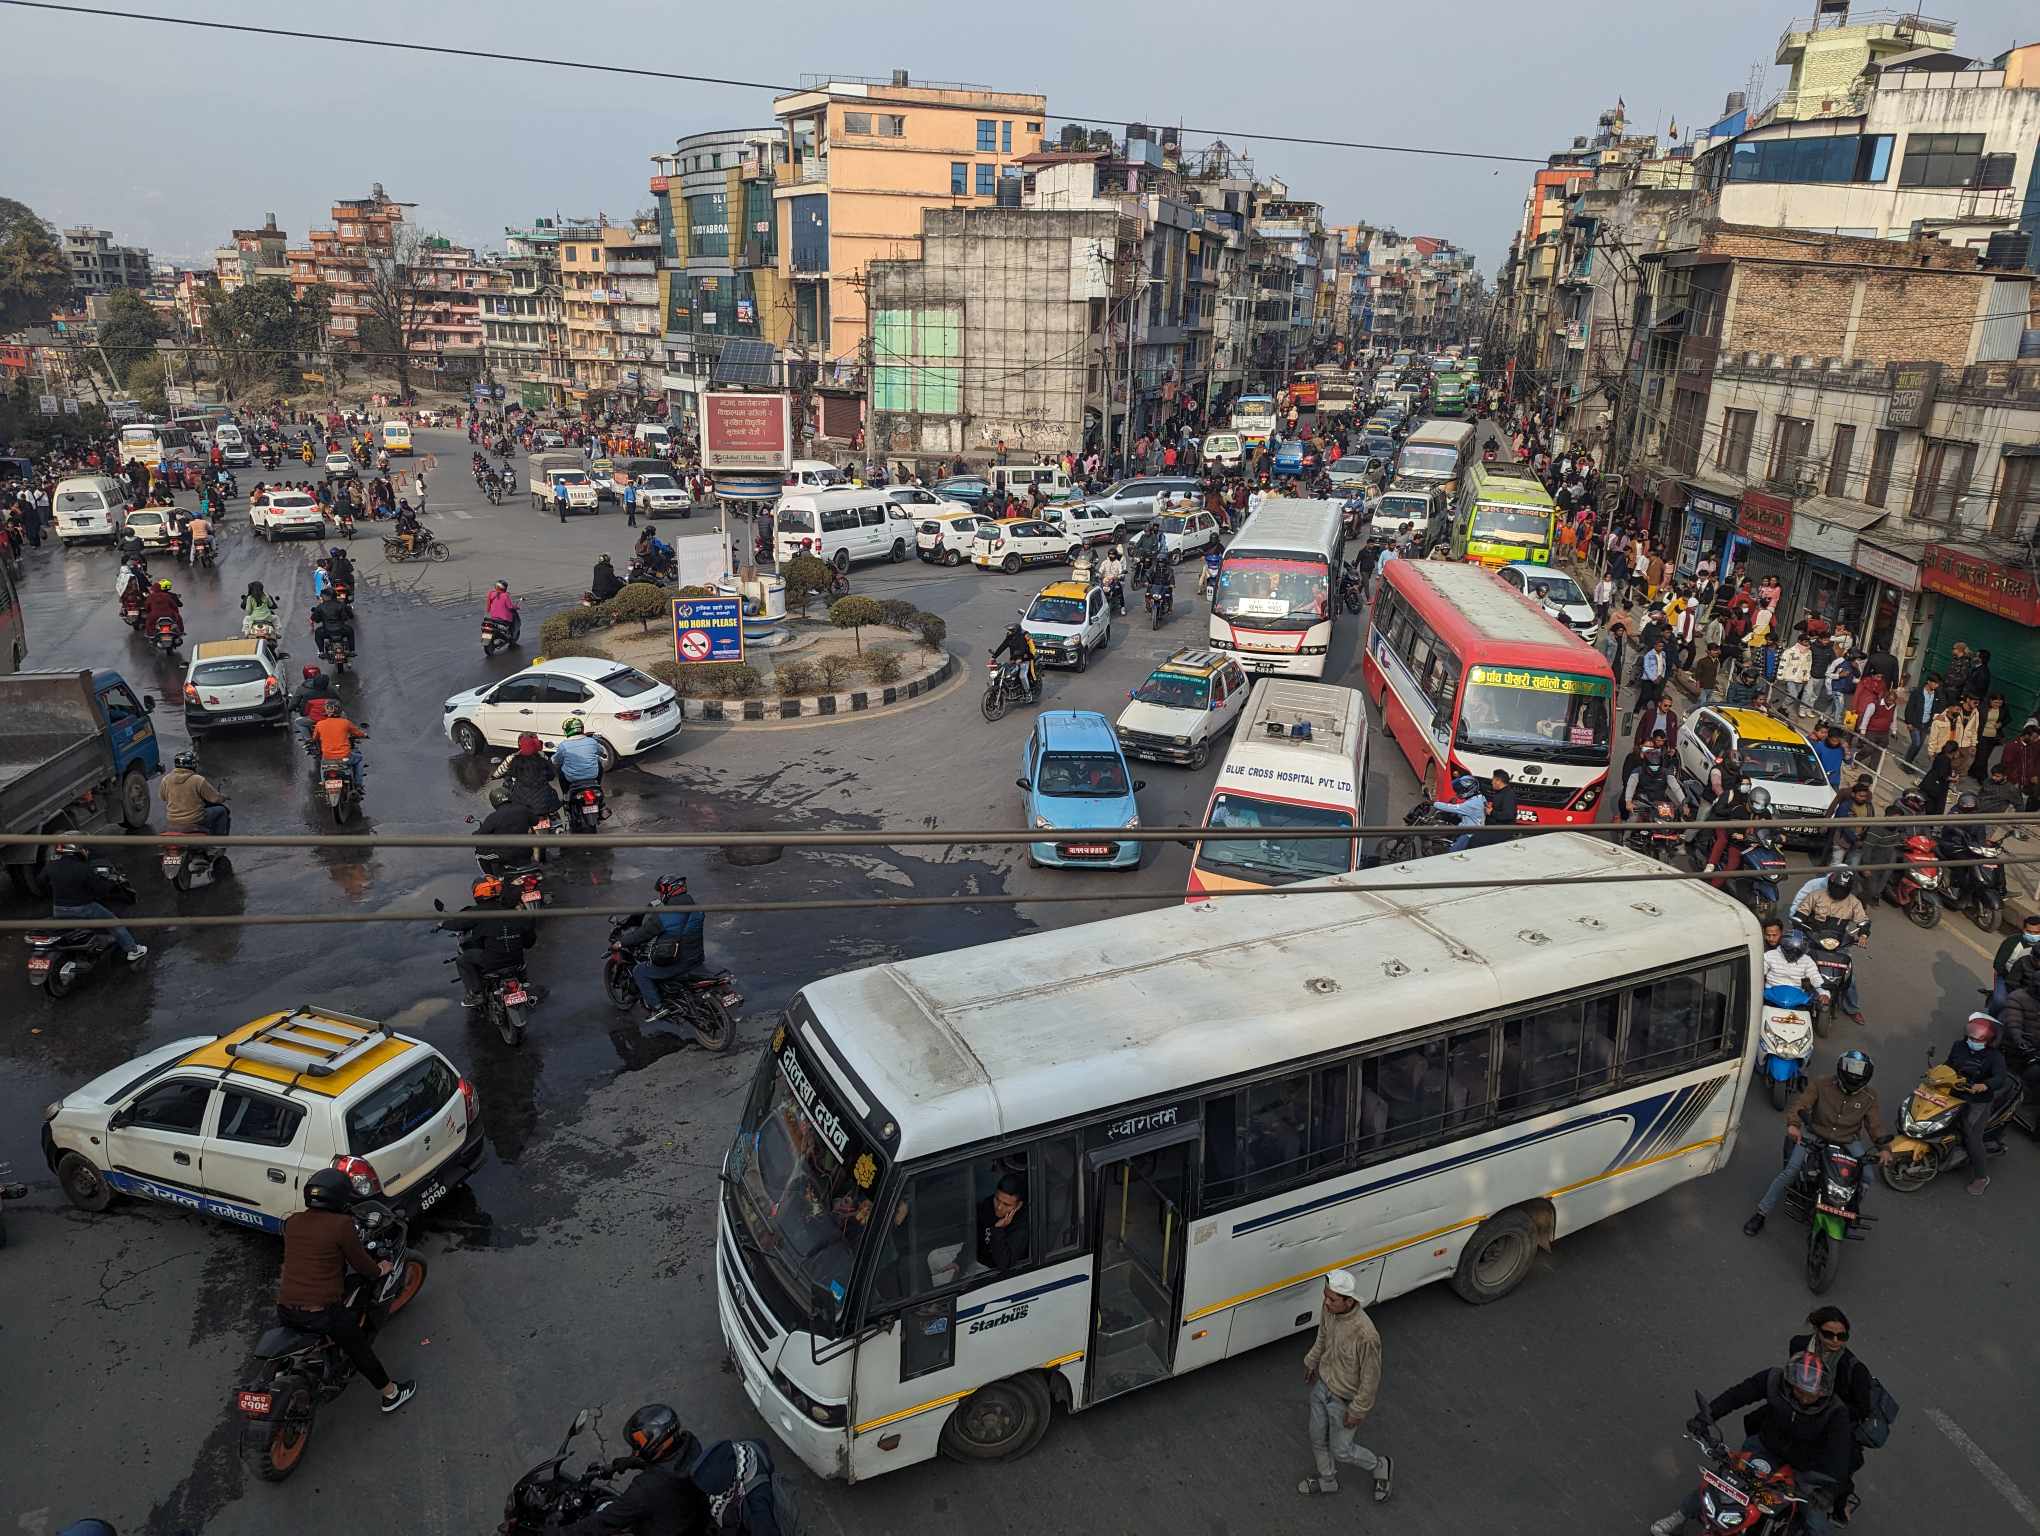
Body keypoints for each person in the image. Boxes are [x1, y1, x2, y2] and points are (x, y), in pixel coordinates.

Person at [1649, 1350, 1850, 1536]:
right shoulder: (1773, 1380)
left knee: (1816, 1523)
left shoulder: (1836, 1412)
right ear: (1789, 1383)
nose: (1806, 1397)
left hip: (1805, 1468)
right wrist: (1706, 1416)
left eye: (1812, 1393)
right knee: (1724, 1481)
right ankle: (1681, 1515)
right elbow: (1737, 1395)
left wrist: (1829, 1492)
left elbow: (1841, 1455)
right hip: (1766, 1448)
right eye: (1800, 1391)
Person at [275, 1169, 416, 1414]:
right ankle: (391, 1394)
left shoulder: (292, 1222)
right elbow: (363, 1266)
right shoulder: (341, 1226)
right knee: (359, 1349)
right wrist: (380, 1268)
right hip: (322, 1314)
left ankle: (284, 1371)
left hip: (286, 1309)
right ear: (340, 1197)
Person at [1744, 1048, 1886, 1236]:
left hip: (1848, 1140)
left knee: (1867, 1176)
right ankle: (1761, 1212)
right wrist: (1793, 1125)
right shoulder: (1821, 1083)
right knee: (1791, 1170)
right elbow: (1801, 1105)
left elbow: (1875, 1125)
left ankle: (1851, 1207)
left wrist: (1884, 1148)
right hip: (1816, 1133)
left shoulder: (1870, 1097)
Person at [1298, 1268, 1392, 1502]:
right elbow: (1322, 1338)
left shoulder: (1366, 1336)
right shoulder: (1329, 1310)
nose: (1326, 1302)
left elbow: (1371, 1378)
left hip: (1345, 1401)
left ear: (1349, 1301)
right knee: (1317, 1437)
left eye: (1332, 1299)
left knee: (1342, 1451)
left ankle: (1379, 1465)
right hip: (1323, 1388)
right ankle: (1328, 1480)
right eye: (1325, 1296)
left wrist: (1358, 1411)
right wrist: (1311, 1361)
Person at [556, 1403, 711, 1535]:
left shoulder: (646, 1489)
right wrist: (628, 1463)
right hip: (691, 1520)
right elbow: (667, 1465)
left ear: (655, 1445)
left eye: (639, 1446)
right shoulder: (690, 1446)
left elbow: (605, 1521)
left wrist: (560, 1533)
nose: (635, 1451)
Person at [1788, 1307, 1880, 1526]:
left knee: (1839, 1467)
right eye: (1829, 1334)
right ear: (1816, 1330)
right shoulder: (1798, 1345)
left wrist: (1830, 1411)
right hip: (1802, 1409)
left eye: (1842, 1336)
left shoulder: (1854, 1370)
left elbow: (1863, 1410)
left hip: (1835, 1424)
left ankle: (1840, 1508)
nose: (1835, 1341)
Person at [619, 873, 707, 1022]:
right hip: (697, 957)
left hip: (679, 962)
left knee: (640, 971)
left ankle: (658, 1007)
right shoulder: (697, 908)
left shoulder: (666, 914)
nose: (660, 895)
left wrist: (622, 942)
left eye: (661, 891)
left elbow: (643, 934)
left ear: (667, 890)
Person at [440, 874, 538, 1006]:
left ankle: (476, 994)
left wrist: (442, 924)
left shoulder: (478, 913)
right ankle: (523, 982)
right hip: (517, 961)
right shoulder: (513, 910)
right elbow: (529, 942)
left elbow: (458, 924)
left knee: (463, 960)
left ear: (477, 893)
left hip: (492, 962)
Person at [1789, 868, 1869, 1023]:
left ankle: (1853, 1008)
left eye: (1843, 889)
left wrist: (1864, 934)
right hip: (1814, 940)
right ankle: (1792, 1000)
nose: (1839, 891)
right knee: (1796, 967)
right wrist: (1799, 923)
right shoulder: (1816, 896)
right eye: (1837, 887)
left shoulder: (1854, 902)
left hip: (1839, 944)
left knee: (1849, 979)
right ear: (1830, 884)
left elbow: (1863, 921)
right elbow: (1800, 914)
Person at [1944, 1013, 2010, 1196]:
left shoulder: (1995, 1057)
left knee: (1972, 1137)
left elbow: (2000, 1078)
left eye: (1976, 1038)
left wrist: (1985, 1085)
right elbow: (1948, 1065)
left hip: (1978, 1100)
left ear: (1988, 1040)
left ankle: (1981, 1177)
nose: (1971, 1040)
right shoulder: (1959, 1046)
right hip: (1955, 1091)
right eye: (1970, 1037)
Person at [46, 842, 146, 964]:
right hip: (83, 908)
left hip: (58, 909)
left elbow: (41, 881)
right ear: (77, 851)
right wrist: (110, 882)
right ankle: (133, 950)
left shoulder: (51, 865)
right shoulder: (83, 868)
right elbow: (100, 889)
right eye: (83, 848)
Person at [161, 749, 230, 839]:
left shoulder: (166, 779)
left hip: (172, 820)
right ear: (193, 764)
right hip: (195, 819)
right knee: (222, 811)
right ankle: (218, 844)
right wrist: (223, 797)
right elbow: (215, 798)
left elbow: (163, 797)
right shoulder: (198, 780)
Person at [976, 1172, 1030, 1271]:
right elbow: (974, 1237)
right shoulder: (988, 1205)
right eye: (997, 1199)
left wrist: (998, 1229)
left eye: (1006, 1205)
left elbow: (1004, 1263)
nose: (999, 1207)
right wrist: (959, 1261)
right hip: (978, 1262)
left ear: (1018, 1205)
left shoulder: (1023, 1225)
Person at [500, 733, 560, 815]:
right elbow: (551, 776)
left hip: (523, 805)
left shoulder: (515, 761)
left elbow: (509, 776)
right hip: (546, 804)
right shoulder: (542, 760)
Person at [310, 708, 368, 790]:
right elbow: (358, 733)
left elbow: (314, 738)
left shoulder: (320, 724)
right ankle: (358, 784)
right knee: (359, 759)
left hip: (328, 757)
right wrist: (364, 735)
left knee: (323, 764)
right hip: (344, 757)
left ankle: (324, 783)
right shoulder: (345, 723)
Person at [1429, 775, 1488, 853]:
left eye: (1460, 790)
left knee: (1451, 853)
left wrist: (1434, 803)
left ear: (1469, 790)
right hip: (1466, 826)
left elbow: (1453, 808)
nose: (1458, 792)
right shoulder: (1479, 797)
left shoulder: (1473, 804)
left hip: (1469, 834)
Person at [990, 619, 1040, 701]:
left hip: (1026, 658)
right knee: (1005, 672)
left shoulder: (1024, 636)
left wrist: (1020, 659)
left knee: (1022, 675)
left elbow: (1023, 649)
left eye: (1010, 631)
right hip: (1015, 659)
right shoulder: (1010, 637)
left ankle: (1028, 694)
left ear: (1015, 631)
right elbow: (1003, 646)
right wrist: (994, 656)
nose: (1008, 632)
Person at [553, 717, 603, 795]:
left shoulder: (563, 745)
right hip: (593, 775)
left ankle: (565, 794)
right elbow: (601, 751)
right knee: (598, 761)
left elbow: (556, 761)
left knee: (560, 769)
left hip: (572, 779)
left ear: (567, 730)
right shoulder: (592, 741)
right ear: (582, 729)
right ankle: (597, 786)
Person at [311, 589, 355, 658]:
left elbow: (315, 619)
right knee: (350, 631)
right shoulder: (341, 604)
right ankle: (352, 651)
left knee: (317, 632)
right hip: (342, 630)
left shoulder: (320, 607)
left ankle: (321, 652)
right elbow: (347, 617)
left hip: (327, 632)